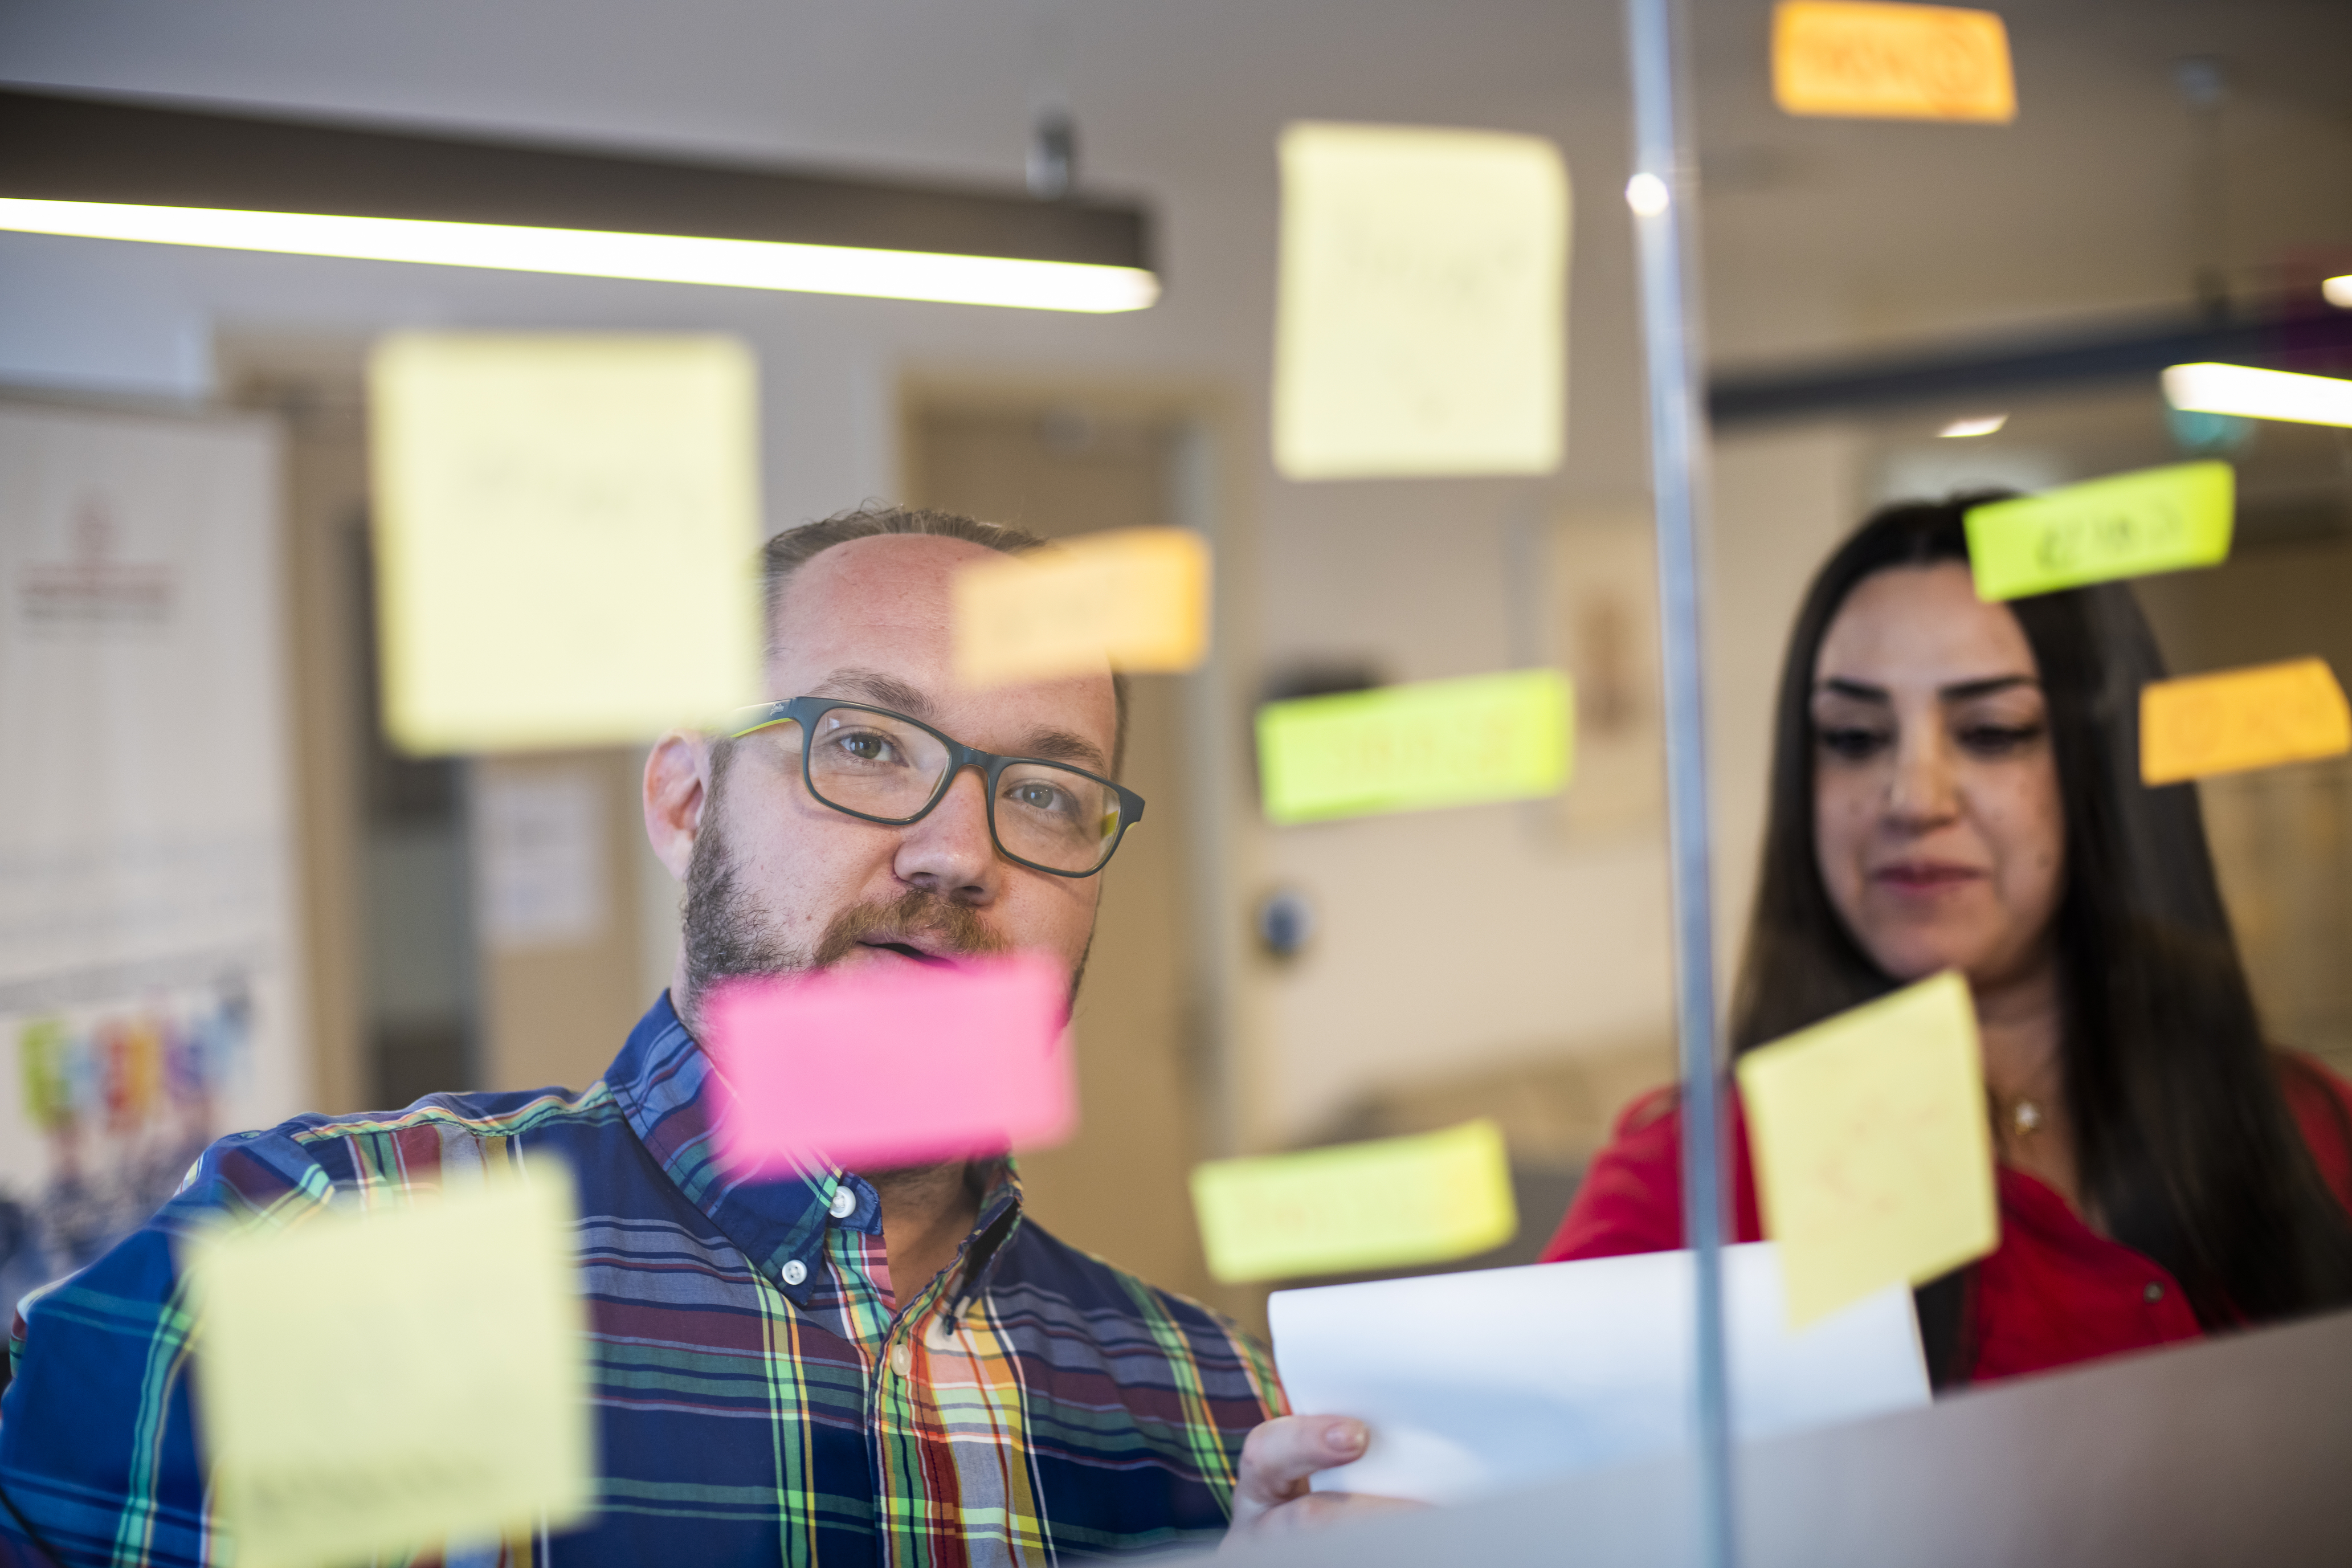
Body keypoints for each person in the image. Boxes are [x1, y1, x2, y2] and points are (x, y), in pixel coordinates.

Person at [0, 506, 1370, 1566]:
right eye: (871, 743)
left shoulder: (1197, 1399)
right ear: (684, 803)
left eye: (1054, 793)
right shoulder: (330, 1248)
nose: (960, 850)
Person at [1545, 495, 2352, 1387]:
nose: (1912, 797)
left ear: (2105, 774)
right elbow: (1506, 1456)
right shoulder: (1696, 1176)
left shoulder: (2304, 1118)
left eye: (1991, 733)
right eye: (1854, 739)